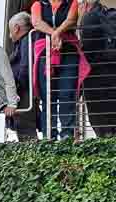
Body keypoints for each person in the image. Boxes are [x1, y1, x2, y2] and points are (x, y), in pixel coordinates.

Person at [32, 0, 89, 139]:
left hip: (68, 52)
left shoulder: (72, 3)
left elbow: (71, 20)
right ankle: (49, 135)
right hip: (45, 53)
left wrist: (56, 33)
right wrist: (55, 34)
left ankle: (67, 134)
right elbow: (37, 23)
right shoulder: (38, 4)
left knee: (67, 93)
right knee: (47, 95)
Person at [79, 0, 116, 137]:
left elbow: (89, 50)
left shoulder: (89, 18)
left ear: (84, 5)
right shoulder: (109, 16)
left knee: (101, 121)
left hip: (96, 76)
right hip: (112, 71)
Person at [8, 11, 40, 141]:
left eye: (10, 30)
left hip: (24, 90)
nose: (10, 35)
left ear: (16, 28)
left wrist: (17, 86)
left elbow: (25, 66)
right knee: (23, 127)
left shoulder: (27, 40)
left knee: (24, 127)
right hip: (24, 89)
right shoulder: (25, 41)